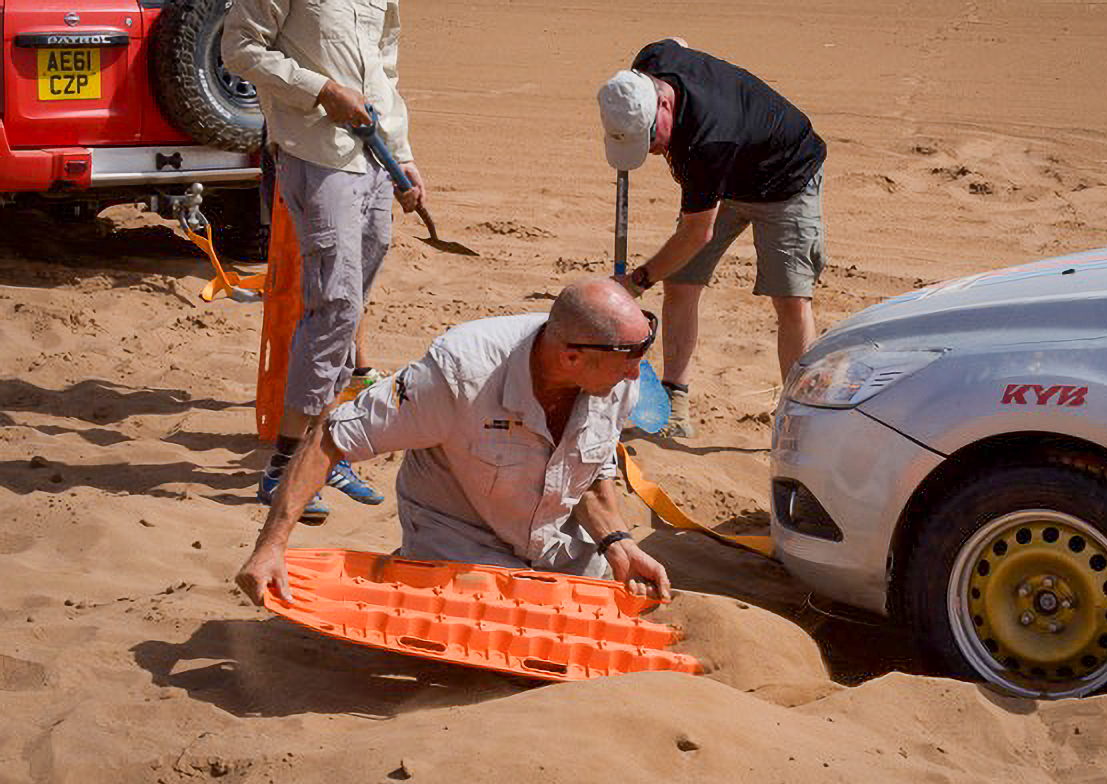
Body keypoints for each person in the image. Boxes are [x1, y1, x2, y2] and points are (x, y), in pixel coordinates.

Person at [235, 277, 673, 606]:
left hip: (553, 543)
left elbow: (590, 476)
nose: (637, 375)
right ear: (571, 357)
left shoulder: (616, 380)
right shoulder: (459, 374)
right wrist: (271, 546)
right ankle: (411, 572)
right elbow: (332, 437)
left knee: (623, 612)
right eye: (628, 362)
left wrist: (619, 542)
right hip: (461, 542)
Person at [223, 0, 426, 523]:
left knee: (350, 308)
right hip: (316, 153)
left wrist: (402, 153)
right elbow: (240, 49)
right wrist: (320, 91)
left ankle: (322, 451)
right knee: (332, 306)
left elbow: (385, 64)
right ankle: (287, 466)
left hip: (375, 157)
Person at [597, 38, 827, 437]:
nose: (651, 151)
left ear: (664, 106)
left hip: (786, 179)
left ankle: (801, 421)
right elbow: (677, 44)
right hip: (726, 179)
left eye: (651, 138)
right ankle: (675, 403)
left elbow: (696, 233)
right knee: (681, 282)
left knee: (791, 299)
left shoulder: (708, 139)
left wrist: (635, 283)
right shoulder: (651, 64)